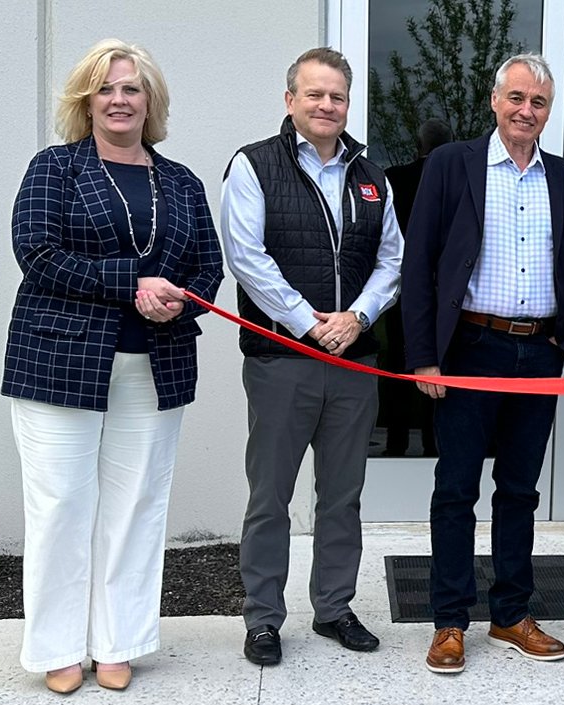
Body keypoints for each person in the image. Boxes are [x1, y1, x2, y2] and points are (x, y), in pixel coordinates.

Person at [2, 38, 224, 693]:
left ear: (149, 100)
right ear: (86, 100)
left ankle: (117, 639)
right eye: (106, 88)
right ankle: (58, 647)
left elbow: (207, 267)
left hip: (153, 363)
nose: (119, 99)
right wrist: (131, 283)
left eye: (131, 88)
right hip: (58, 362)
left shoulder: (180, 181)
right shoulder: (54, 168)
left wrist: (176, 305)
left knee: (135, 507)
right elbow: (35, 252)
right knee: (62, 506)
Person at [401, 53, 564, 675]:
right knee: (456, 489)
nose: (526, 111)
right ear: (495, 101)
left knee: (519, 489)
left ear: (549, 111)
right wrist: (425, 359)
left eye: (538, 102)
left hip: (537, 353)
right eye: (516, 98)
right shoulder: (451, 165)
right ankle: (450, 621)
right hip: (469, 350)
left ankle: (512, 613)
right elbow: (420, 265)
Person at [221, 46, 402, 666]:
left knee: (343, 495)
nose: (328, 106)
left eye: (339, 97)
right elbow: (246, 257)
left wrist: (357, 318)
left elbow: (392, 261)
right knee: (270, 496)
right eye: (315, 94)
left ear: (349, 104)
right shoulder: (253, 165)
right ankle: (264, 618)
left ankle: (333, 608)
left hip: (355, 360)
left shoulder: (371, 175)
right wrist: (306, 323)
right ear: (290, 99)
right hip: (281, 362)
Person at [380, 118, 454, 458]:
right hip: (448, 293)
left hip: (400, 288)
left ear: (417, 146)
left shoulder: (395, 178)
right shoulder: (458, 179)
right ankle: (432, 441)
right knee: (443, 369)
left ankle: (396, 441)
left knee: (398, 363)